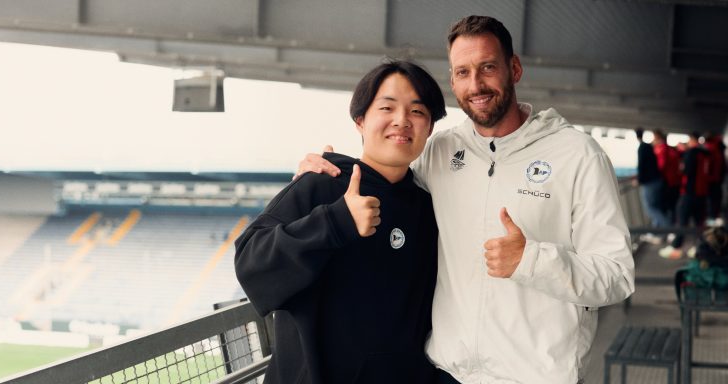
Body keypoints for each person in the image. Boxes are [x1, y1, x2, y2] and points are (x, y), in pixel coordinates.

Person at [296, 15, 635, 384]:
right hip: (447, 374)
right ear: (453, 81)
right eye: (462, 72)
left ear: (515, 68)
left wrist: (531, 260)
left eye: (487, 68)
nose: (476, 84)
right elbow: (386, 171)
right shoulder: (442, 151)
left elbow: (616, 276)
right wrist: (329, 170)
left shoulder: (578, 155)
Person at [234, 60, 446, 384]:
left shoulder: (429, 208)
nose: (402, 121)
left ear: (430, 128)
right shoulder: (323, 182)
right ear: (360, 121)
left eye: (417, 112)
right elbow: (250, 261)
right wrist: (336, 221)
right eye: (387, 108)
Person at [660, 132, 711, 259]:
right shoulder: (704, 154)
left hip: (689, 192)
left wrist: (681, 166)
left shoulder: (691, 153)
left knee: (682, 219)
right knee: (699, 222)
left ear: (692, 140)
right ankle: (699, 247)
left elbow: (686, 171)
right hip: (702, 193)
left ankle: (676, 248)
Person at [635, 127, 668, 231]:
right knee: (656, 207)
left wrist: (639, 180)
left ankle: (669, 229)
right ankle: (658, 232)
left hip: (650, 182)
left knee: (651, 208)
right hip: (658, 180)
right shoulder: (649, 147)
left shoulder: (642, 147)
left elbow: (641, 165)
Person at [652, 129, 681, 226]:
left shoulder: (661, 149)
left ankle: (668, 228)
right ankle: (669, 227)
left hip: (666, 182)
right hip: (674, 182)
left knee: (662, 207)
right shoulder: (671, 150)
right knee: (671, 206)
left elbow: (661, 166)